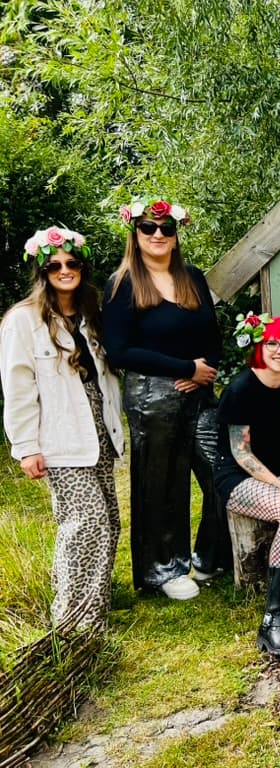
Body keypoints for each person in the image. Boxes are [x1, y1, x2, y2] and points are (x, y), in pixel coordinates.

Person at [1, 227, 123, 629]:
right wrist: (25, 446)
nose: (64, 270)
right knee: (84, 523)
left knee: (108, 519)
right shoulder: (23, 321)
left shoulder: (89, 315)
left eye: (72, 263)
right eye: (54, 265)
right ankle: (73, 622)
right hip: (60, 434)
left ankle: (94, 606)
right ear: (42, 271)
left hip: (99, 428)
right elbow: (18, 387)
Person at [103, 198, 221, 600]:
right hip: (151, 397)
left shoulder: (192, 277)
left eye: (166, 229)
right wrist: (184, 368)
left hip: (199, 392)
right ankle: (162, 569)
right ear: (135, 235)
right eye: (149, 229)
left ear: (176, 235)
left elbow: (213, 336)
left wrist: (204, 370)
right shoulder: (123, 284)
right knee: (162, 483)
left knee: (221, 470)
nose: (157, 235)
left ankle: (208, 556)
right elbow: (119, 351)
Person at [215, 314, 280, 659]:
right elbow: (240, 453)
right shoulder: (241, 389)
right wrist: (279, 485)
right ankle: (274, 618)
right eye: (272, 343)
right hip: (239, 477)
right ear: (259, 347)